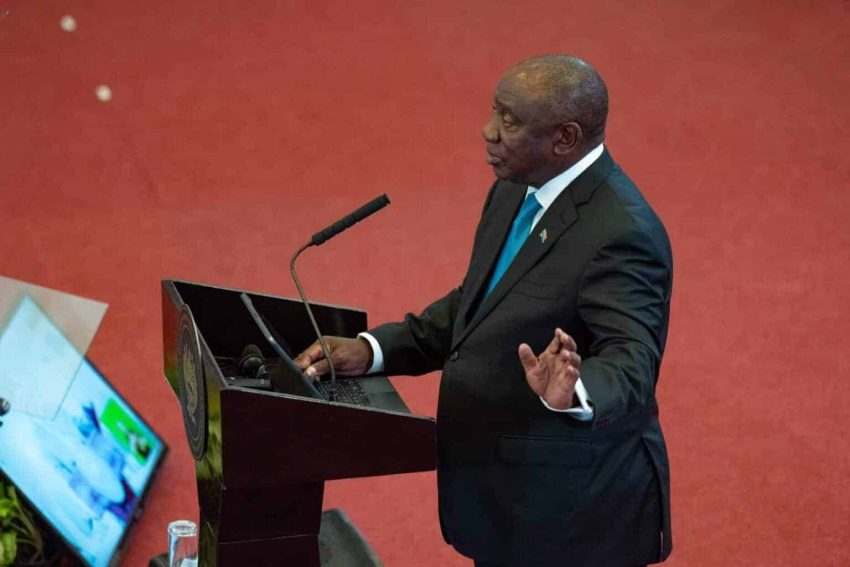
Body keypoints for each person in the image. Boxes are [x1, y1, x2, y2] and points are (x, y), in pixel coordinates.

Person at [295, 54, 673, 567]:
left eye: (509, 121)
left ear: (564, 139)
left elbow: (633, 359)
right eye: (495, 111)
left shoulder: (623, 233)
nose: (488, 131)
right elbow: (480, 304)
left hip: (571, 518)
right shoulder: (515, 188)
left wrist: (574, 390)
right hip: (504, 492)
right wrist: (375, 349)